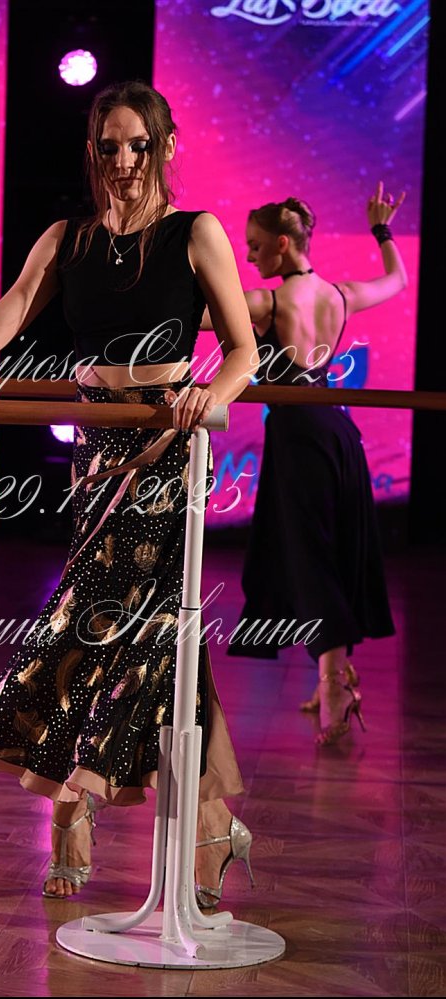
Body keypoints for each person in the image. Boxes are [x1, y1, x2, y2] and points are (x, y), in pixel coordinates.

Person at [0, 81, 259, 907]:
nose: (124, 160)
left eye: (139, 144)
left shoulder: (196, 233)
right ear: (92, 152)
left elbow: (243, 349)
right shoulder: (68, 240)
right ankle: (212, 825)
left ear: (166, 147)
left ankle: (78, 794)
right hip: (98, 453)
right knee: (136, 631)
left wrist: (212, 394)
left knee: (127, 623)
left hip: (168, 448)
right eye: (109, 146)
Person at [201, 183, 407, 746]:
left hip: (298, 438)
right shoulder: (340, 296)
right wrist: (382, 230)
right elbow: (398, 280)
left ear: (283, 244)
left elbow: (201, 314)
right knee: (328, 553)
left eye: (254, 246)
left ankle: (333, 683)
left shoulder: (268, 304)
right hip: (340, 434)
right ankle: (332, 674)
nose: (248, 256)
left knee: (309, 559)